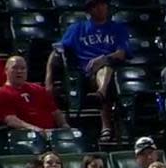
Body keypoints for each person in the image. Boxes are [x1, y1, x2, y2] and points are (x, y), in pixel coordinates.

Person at [51, 0, 130, 142]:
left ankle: (101, 94)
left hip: (114, 73)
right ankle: (105, 119)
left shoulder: (117, 28)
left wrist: (103, 58)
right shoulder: (78, 28)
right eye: (96, 6)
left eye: (102, 4)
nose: (100, 8)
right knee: (105, 72)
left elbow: (122, 53)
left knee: (106, 69)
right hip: (85, 74)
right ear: (89, 10)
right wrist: (48, 80)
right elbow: (57, 50)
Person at [0, 56, 70, 132]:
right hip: (26, 136)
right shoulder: (3, 94)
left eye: (23, 68)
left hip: (51, 134)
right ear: (6, 70)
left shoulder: (38, 89)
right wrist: (37, 130)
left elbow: (55, 112)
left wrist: (64, 125)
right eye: (15, 68)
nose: (19, 71)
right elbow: (11, 120)